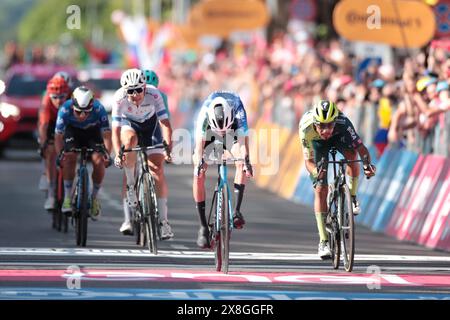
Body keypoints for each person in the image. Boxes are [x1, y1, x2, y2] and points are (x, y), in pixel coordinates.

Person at [298, 100, 376, 259]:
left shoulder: (343, 123)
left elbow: (361, 149)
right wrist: (315, 173)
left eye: (330, 125)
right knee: (320, 188)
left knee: (352, 156)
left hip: (339, 137)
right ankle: (323, 241)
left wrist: (367, 165)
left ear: (335, 121)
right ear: (315, 124)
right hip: (317, 144)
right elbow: (308, 161)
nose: (326, 130)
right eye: (321, 126)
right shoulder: (306, 128)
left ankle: (352, 197)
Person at [112, 69, 174, 240]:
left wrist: (168, 149)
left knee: (157, 170)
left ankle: (163, 222)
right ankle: (131, 186)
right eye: (130, 91)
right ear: (125, 91)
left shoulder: (154, 95)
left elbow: (165, 124)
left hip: (151, 126)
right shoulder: (119, 98)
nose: (135, 94)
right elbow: (115, 130)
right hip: (129, 125)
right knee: (130, 142)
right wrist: (118, 154)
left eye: (138, 90)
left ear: (145, 88)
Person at [193, 91, 253, 249]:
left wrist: (246, 161)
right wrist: (200, 163)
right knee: (198, 171)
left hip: (233, 132)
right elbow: (199, 147)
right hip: (209, 134)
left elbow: (242, 143)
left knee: (242, 162)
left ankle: (236, 212)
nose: (222, 134)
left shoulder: (238, 109)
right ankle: (203, 227)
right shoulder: (205, 112)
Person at [54, 86, 112, 219]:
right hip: (73, 132)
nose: (82, 115)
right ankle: (68, 197)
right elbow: (58, 136)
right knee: (69, 157)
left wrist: (107, 154)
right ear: (73, 105)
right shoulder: (65, 109)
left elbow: (107, 134)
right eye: (78, 111)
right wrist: (59, 155)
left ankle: (94, 199)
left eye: (86, 112)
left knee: (99, 160)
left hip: (92, 133)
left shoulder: (99, 108)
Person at [38, 75, 71, 210]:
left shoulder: (72, 99)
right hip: (51, 124)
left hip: (68, 123)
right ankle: (51, 192)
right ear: (49, 95)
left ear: (67, 94)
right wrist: (44, 143)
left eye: (62, 96)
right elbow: (44, 125)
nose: (58, 101)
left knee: (71, 153)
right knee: (50, 151)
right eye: (54, 97)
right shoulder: (46, 102)